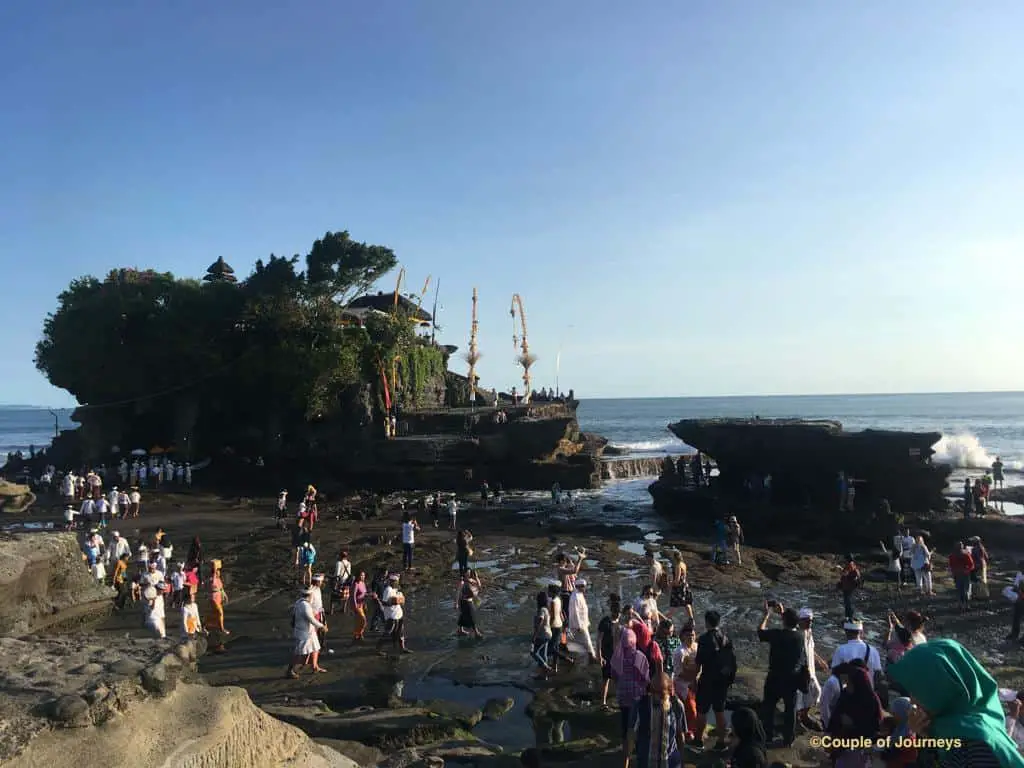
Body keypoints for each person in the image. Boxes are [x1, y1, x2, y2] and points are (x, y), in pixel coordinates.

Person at [888, 639, 1024, 768]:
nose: (912, 701)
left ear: (941, 690)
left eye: (917, 692)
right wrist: (924, 735)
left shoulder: (978, 746)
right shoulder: (948, 724)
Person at [756, 603, 804, 747]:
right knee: (790, 710)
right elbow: (790, 626)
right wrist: (783, 614)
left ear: (784, 620)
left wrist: (767, 614)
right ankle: (788, 739)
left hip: (775, 676)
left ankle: (768, 735)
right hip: (792, 677)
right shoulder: (799, 637)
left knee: (769, 707)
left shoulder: (777, 634)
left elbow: (760, 631)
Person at [693, 610, 735, 751]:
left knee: (702, 711)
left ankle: (698, 741)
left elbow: (698, 663)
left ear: (707, 622)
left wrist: (694, 680)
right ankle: (721, 742)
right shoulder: (726, 638)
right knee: (719, 711)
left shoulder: (704, 639)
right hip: (722, 682)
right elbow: (732, 661)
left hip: (707, 680)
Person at [825, 666, 883, 768]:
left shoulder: (870, 701)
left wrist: (853, 724)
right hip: (840, 747)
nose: (847, 686)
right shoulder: (846, 695)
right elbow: (835, 716)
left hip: (859, 749)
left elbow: (873, 727)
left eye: (849, 683)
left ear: (858, 683)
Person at [610, 627, 650, 768]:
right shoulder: (640, 657)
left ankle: (625, 758)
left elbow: (613, 676)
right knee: (638, 727)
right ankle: (638, 756)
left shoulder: (616, 656)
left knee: (626, 726)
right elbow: (646, 679)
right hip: (637, 697)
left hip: (623, 696)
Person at [637, 673, 686, 768]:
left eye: (660, 693)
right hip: (647, 761)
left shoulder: (677, 706)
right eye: (653, 691)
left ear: (669, 691)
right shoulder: (641, 705)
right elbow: (632, 734)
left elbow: (680, 735)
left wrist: (682, 760)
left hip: (670, 762)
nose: (656, 696)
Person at [796, 608, 828, 731]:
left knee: (816, 692)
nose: (810, 623)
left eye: (811, 621)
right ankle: (799, 718)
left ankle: (804, 714)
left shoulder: (809, 632)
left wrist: (820, 661)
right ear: (800, 621)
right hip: (802, 672)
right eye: (807, 621)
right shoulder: (798, 634)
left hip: (811, 671)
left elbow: (811, 649)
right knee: (800, 697)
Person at [286, 587, 327, 678]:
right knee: (299, 653)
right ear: (310, 595)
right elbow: (311, 619)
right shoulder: (305, 605)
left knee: (315, 648)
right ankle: (290, 670)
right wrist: (322, 626)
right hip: (303, 632)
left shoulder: (299, 602)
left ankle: (315, 667)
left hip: (309, 631)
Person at [376, 573, 410, 656]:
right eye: (395, 581)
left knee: (400, 632)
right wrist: (393, 602)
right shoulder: (388, 590)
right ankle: (378, 649)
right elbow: (384, 602)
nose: (397, 583)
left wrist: (400, 601)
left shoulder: (397, 590)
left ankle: (402, 648)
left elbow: (402, 601)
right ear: (391, 581)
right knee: (388, 632)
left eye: (397, 581)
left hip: (399, 614)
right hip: (391, 615)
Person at [597, 594, 622, 709]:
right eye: (615, 612)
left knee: (618, 679)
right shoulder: (605, 622)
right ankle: (603, 702)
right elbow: (598, 640)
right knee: (606, 679)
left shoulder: (620, 624)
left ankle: (620, 700)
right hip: (607, 655)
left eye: (618, 613)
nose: (617, 615)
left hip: (617, 656)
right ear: (612, 611)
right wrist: (599, 656)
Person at [567, 578, 597, 661]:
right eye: (583, 586)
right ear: (579, 586)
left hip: (581, 623)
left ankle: (570, 656)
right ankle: (592, 656)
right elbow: (575, 612)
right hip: (578, 625)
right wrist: (579, 625)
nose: (585, 588)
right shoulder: (575, 596)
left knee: (573, 641)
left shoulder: (579, 594)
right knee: (587, 640)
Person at [531, 590, 554, 678]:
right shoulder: (546, 609)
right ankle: (544, 675)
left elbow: (540, 621)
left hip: (542, 635)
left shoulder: (541, 610)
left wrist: (534, 635)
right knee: (543, 654)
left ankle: (547, 668)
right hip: (548, 634)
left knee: (533, 652)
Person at [948, 542, 976, 613]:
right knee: (965, 590)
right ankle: (966, 605)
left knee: (959, 590)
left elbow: (951, 566)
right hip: (964, 574)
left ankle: (961, 605)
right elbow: (972, 565)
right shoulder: (966, 554)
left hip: (958, 574)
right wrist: (967, 570)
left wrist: (953, 571)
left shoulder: (952, 555)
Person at [457, 569, 483, 639]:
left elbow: (479, 586)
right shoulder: (462, 582)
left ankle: (460, 630)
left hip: (470, 601)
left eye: (469, 572)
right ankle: (476, 632)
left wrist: (477, 577)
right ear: (464, 574)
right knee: (472, 616)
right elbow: (458, 593)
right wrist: (456, 603)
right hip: (464, 602)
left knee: (463, 615)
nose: (468, 574)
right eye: (466, 572)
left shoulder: (472, 580)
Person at [837, 554, 862, 622]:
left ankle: (849, 617)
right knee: (848, 602)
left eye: (845, 559)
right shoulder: (852, 565)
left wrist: (840, 569)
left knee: (848, 602)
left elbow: (845, 574)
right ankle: (848, 617)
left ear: (847, 559)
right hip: (849, 586)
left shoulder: (850, 565)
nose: (844, 560)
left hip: (848, 587)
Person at [350, 570, 368, 641]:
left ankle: (359, 635)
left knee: (360, 621)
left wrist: (365, 603)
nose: (362, 576)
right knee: (363, 620)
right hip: (357, 605)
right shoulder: (355, 584)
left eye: (363, 575)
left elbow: (364, 594)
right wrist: (355, 607)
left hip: (362, 604)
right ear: (358, 576)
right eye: (361, 575)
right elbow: (353, 596)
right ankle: (357, 634)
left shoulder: (363, 583)